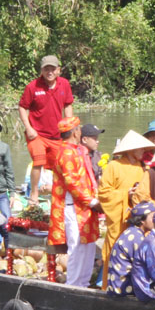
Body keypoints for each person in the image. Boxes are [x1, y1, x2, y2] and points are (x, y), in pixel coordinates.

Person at [48, 117, 101, 288]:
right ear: (75, 132)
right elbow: (72, 183)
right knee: (77, 249)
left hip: (85, 205)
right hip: (74, 207)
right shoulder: (67, 152)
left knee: (88, 247)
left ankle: (83, 284)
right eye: (79, 129)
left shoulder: (78, 150)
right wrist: (93, 202)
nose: (80, 132)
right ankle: (72, 286)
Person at [98, 130, 155, 288]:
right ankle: (108, 286)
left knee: (135, 252)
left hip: (135, 219)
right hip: (118, 217)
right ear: (131, 149)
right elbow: (103, 194)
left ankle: (131, 286)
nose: (143, 152)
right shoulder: (114, 166)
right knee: (115, 248)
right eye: (140, 149)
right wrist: (125, 194)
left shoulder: (141, 168)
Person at [18, 55, 74, 205]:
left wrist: (70, 127)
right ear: (41, 70)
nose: (49, 72)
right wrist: (28, 127)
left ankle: (58, 193)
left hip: (57, 135)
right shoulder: (33, 86)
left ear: (58, 70)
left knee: (60, 165)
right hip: (37, 134)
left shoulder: (64, 84)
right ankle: (34, 194)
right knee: (39, 159)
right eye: (46, 69)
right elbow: (22, 107)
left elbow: (68, 105)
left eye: (52, 69)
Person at [107, 202, 155, 300]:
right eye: (152, 217)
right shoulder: (136, 237)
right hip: (124, 289)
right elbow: (146, 266)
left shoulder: (133, 232)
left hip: (119, 286)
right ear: (142, 220)